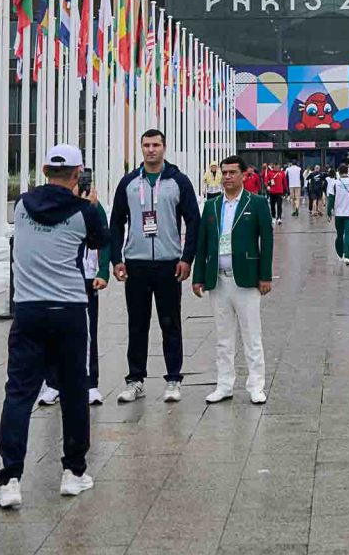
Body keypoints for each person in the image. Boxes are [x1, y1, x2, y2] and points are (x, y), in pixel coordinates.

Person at [0, 145, 112, 508]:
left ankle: (10, 479)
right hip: (70, 311)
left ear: (44, 170)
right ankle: (73, 472)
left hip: (28, 311)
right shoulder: (84, 212)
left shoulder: (21, 206)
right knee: (74, 392)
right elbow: (101, 242)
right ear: (78, 174)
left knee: (19, 393)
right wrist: (89, 203)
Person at [108, 129, 200, 404]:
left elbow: (193, 221)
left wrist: (187, 258)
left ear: (164, 147)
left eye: (156, 145)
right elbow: (116, 222)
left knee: (169, 322)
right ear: (141, 148)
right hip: (136, 263)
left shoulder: (178, 182)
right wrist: (116, 259)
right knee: (137, 324)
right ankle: (135, 379)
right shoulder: (128, 183)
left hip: (168, 263)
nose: (151, 150)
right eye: (146, 145)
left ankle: (173, 379)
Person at [192, 156, 273, 405]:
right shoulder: (212, 205)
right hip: (218, 279)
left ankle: (256, 385)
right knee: (223, 337)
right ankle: (224, 384)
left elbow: (267, 241)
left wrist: (264, 276)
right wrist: (198, 277)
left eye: (232, 173)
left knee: (252, 335)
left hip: (246, 280)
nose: (227, 177)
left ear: (243, 174)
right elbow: (203, 242)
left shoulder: (257, 203)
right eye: (224, 173)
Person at [38, 167, 107, 408]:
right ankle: (53, 383)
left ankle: (90, 383)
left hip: (87, 278)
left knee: (88, 332)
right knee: (52, 332)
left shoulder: (93, 208)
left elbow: (104, 239)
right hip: (58, 278)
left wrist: (103, 272)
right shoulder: (58, 208)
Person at [329, 164, 349, 265]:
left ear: (338, 172)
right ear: (348, 172)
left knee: (339, 234)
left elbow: (331, 199)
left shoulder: (334, 183)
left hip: (338, 213)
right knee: (348, 233)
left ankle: (340, 255)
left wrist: (328, 213)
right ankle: (347, 255)